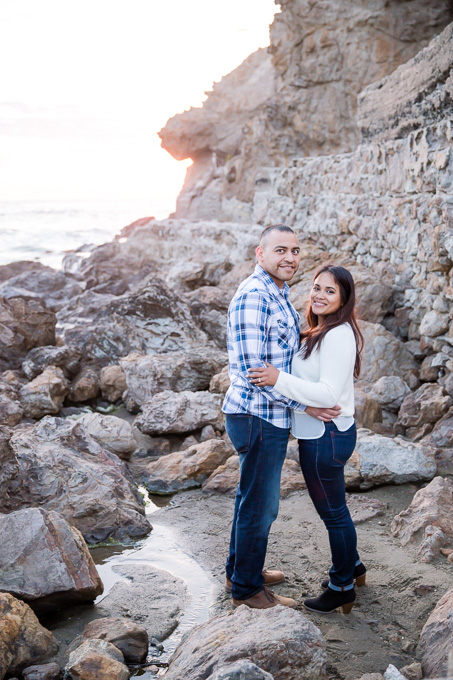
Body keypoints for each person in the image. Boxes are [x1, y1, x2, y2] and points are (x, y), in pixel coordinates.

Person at [222, 225, 340, 610]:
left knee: (250, 498)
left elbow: (283, 353)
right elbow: (251, 370)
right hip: (257, 415)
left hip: (267, 415)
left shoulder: (279, 293)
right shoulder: (255, 296)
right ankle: (247, 591)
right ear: (260, 254)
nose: (290, 257)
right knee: (261, 505)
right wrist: (302, 405)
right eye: (280, 250)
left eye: (295, 250)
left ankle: (240, 571)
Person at [247, 264, 365, 614]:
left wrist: (277, 379)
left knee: (334, 515)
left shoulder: (338, 334)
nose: (319, 295)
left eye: (330, 291)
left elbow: (328, 393)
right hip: (323, 434)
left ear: (343, 298)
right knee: (336, 511)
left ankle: (341, 585)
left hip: (326, 438)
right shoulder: (320, 331)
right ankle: (354, 568)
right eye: (316, 287)